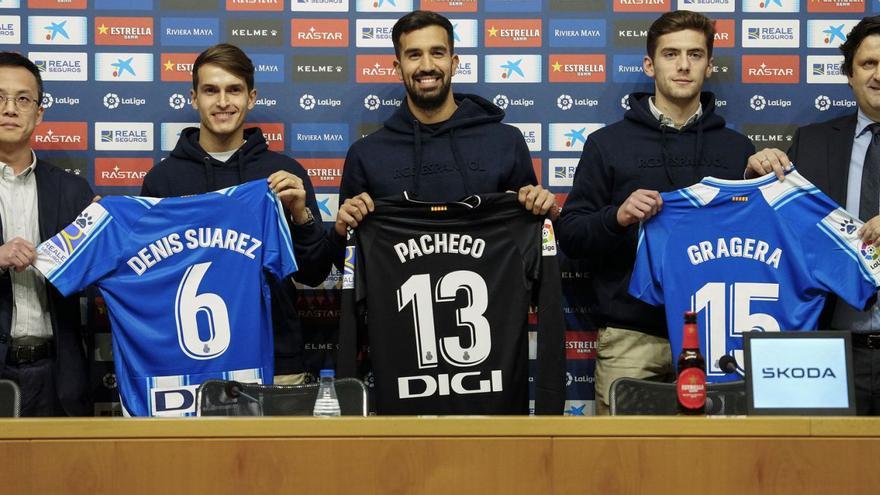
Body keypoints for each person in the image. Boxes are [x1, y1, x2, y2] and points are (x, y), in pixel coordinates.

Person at [556, 10, 755, 415]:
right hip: (631, 337)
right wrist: (618, 217)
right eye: (670, 54)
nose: (683, 65)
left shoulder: (738, 150)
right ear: (650, 64)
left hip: (719, 337)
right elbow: (571, 234)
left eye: (695, 55)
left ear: (709, 64)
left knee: (719, 466)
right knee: (622, 465)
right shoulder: (607, 144)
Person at [140, 44, 330, 385]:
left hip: (278, 357)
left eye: (234, 90)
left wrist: (301, 217)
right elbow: (150, 280)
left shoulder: (284, 173)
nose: (223, 102)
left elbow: (316, 274)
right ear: (194, 98)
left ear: (252, 98)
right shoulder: (163, 179)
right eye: (211, 90)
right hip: (190, 358)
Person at [746, 16, 880, 415]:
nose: (879, 75)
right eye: (868, 64)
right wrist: (751, 179)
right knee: (826, 473)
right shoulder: (813, 141)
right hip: (831, 352)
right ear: (850, 75)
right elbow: (771, 231)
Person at [332, 10, 556, 243]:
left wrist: (544, 212)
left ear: (454, 62)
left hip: (493, 279)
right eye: (414, 55)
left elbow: (532, 241)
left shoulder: (505, 141)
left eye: (437, 53)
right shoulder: (366, 154)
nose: (427, 65)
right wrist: (342, 231)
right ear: (398, 68)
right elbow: (348, 261)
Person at [0, 52, 95, 416]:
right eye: (1, 98)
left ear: (38, 113)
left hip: (60, 375)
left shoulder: (73, 192)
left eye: (23, 99)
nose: (10, 109)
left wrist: (102, 240)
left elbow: (98, 284)